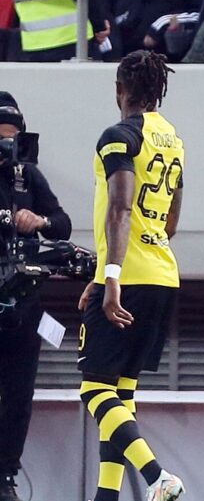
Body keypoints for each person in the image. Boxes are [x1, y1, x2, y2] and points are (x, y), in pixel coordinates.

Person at [76, 50, 185, 501]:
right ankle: (107, 496)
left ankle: (158, 476)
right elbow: (172, 218)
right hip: (162, 272)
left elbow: (120, 208)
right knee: (120, 394)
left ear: (120, 89)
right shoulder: (172, 138)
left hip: (129, 276)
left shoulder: (118, 135)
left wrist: (112, 275)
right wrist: (105, 270)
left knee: (93, 390)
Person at [0, 92, 72, 501]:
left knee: (18, 399)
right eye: (2, 138)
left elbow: (62, 223)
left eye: (15, 138)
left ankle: (5, 475)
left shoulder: (28, 176)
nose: (9, 146)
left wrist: (39, 220)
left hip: (23, 306)